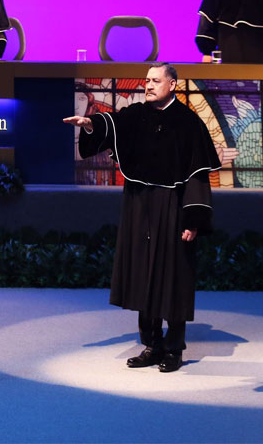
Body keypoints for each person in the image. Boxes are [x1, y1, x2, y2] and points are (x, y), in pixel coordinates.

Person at [63, 63, 221, 372]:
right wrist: (90, 124)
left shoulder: (188, 123)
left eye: (155, 80)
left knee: (172, 274)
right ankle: (152, 343)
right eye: (146, 80)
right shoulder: (137, 115)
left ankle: (174, 348)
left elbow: (198, 175)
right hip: (138, 203)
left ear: (172, 84)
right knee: (142, 272)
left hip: (173, 205)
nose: (147, 85)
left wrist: (193, 220)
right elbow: (109, 123)